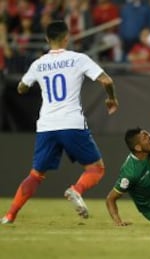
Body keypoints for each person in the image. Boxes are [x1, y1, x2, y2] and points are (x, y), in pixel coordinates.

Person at [1, 20, 119, 224]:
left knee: (36, 175)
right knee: (96, 168)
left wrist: (28, 84)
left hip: (46, 125)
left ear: (47, 39)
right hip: (71, 122)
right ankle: (76, 190)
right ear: (67, 37)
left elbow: (21, 87)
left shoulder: (39, 63)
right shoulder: (78, 59)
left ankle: (9, 215)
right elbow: (107, 80)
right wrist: (111, 98)